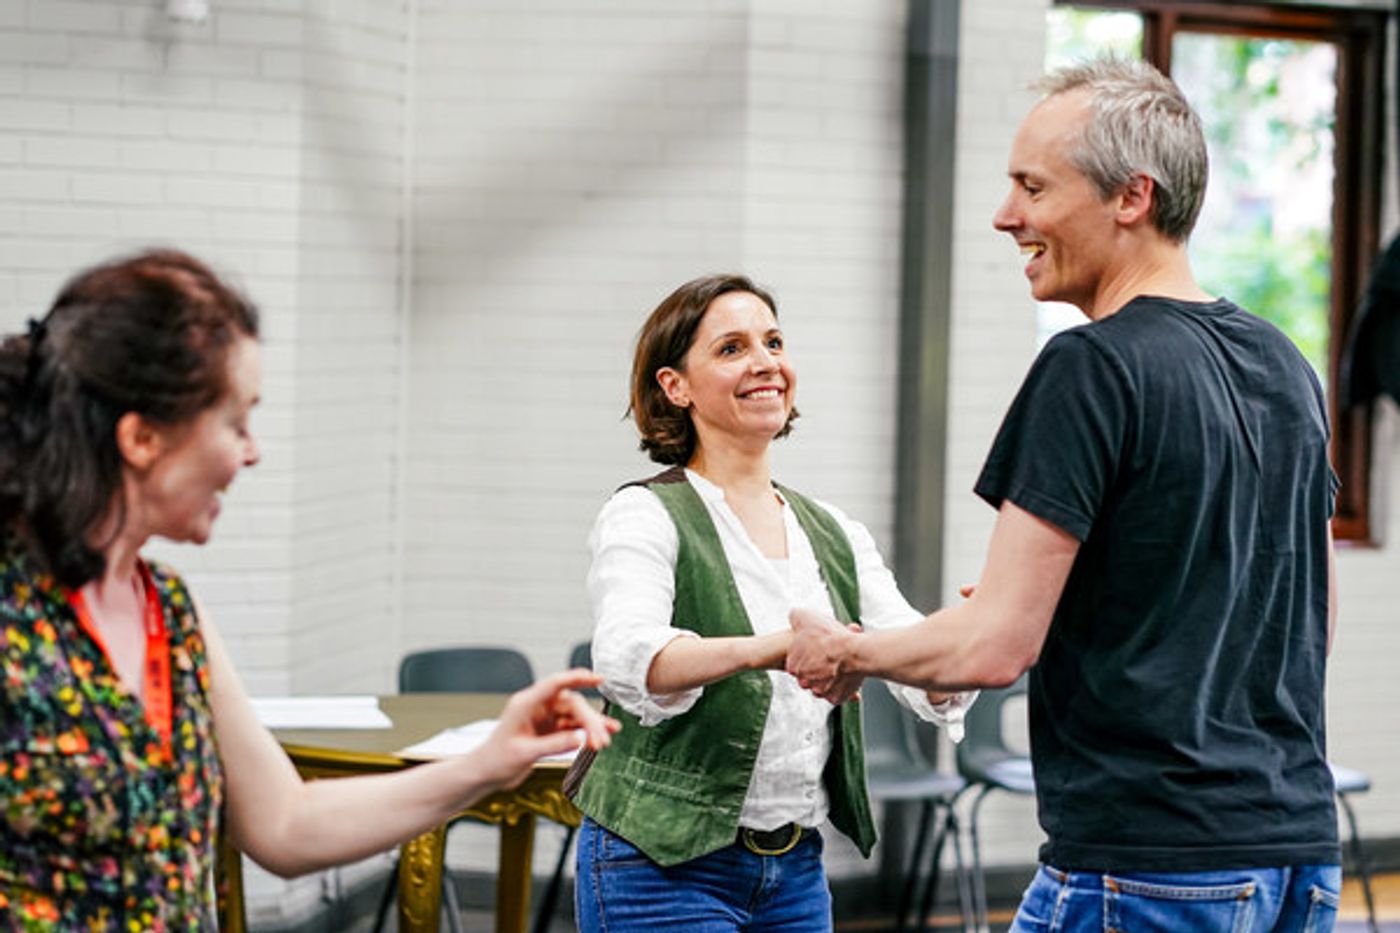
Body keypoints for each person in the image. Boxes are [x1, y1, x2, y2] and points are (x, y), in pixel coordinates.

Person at [786, 57, 1342, 932]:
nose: (1006, 215)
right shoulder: (1285, 362)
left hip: (1150, 865)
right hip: (1295, 854)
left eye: (1033, 187)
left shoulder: (1089, 365)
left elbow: (992, 647)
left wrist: (850, 651)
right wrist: (1078, 604)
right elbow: (1302, 614)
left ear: (1132, 196)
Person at [0, 249, 618, 931]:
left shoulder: (170, 613)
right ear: (142, 437)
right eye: (235, 423)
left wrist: (488, 762)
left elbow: (286, 823)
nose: (252, 451)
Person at [571, 273, 972, 933]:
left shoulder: (834, 531)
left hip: (794, 873)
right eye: (732, 348)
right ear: (676, 386)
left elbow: (911, 654)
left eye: (774, 342)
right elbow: (629, 658)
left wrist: (966, 639)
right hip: (659, 865)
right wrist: (776, 649)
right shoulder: (644, 513)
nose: (765, 362)